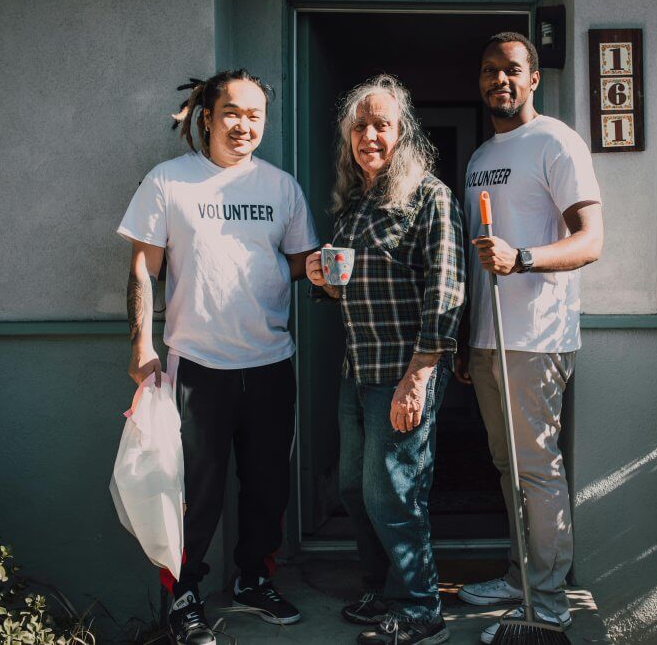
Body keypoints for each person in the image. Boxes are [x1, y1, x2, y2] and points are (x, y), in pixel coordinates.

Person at [118, 69, 318, 645]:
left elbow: (301, 260)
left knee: (267, 487)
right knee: (193, 493)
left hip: (271, 363)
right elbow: (142, 266)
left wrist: (323, 270)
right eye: (233, 113)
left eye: (255, 115)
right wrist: (140, 342)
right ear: (207, 115)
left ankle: (254, 580)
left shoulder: (281, 188)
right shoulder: (168, 182)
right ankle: (182, 597)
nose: (244, 125)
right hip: (196, 368)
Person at [454, 32, 604, 644]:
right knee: (506, 464)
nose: (500, 80)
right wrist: (469, 338)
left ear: (534, 78)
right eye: (490, 70)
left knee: (536, 469)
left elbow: (591, 240)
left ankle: (548, 604)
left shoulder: (557, 142)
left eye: (513, 70)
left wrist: (523, 258)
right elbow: (471, 261)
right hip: (489, 337)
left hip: (538, 338)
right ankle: (520, 575)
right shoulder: (479, 156)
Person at [305, 74, 465, 645]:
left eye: (382, 125)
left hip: (404, 371)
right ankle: (380, 589)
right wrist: (321, 280)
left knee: (395, 491)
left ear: (403, 133)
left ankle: (420, 606)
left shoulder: (429, 195)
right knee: (355, 487)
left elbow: (445, 292)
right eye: (360, 126)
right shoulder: (355, 202)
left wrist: (418, 377)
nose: (369, 135)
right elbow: (349, 288)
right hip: (358, 370)